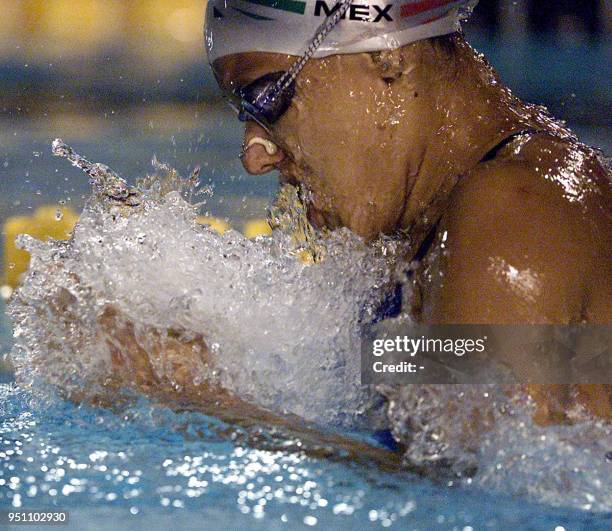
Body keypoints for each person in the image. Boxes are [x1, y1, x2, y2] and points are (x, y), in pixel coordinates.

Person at [205, 0, 611, 422]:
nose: (254, 156)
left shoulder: (518, 212)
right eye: (242, 114)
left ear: (387, 56)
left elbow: (473, 476)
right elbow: (416, 383)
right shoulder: (423, 228)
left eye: (267, 97)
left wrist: (207, 402)